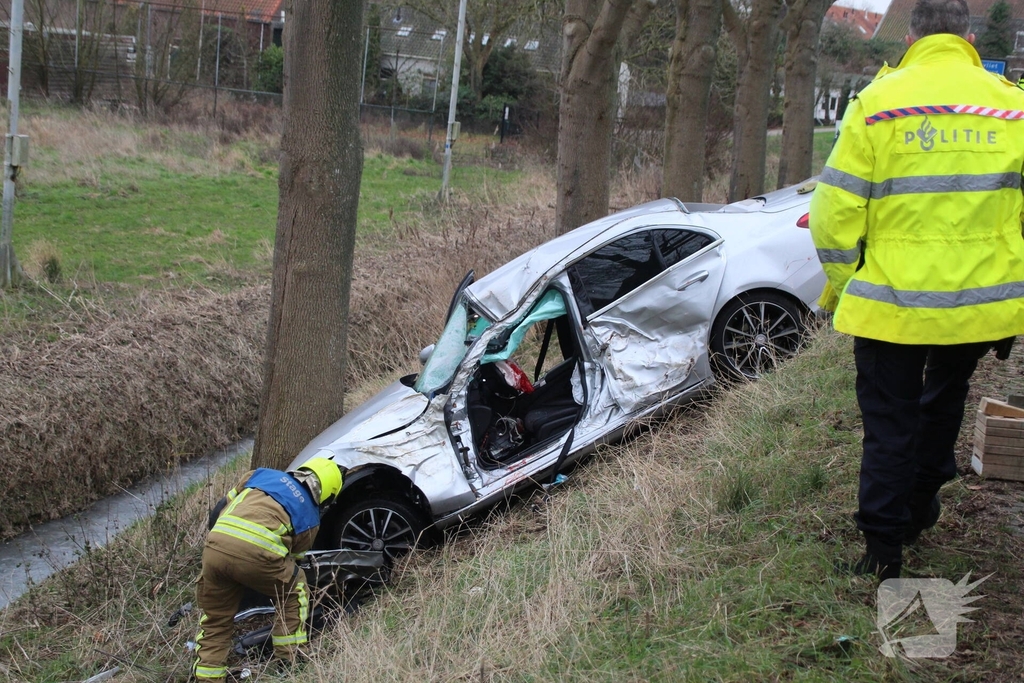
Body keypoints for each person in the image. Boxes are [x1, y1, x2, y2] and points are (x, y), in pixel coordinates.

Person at [809, 0, 1024, 581]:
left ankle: (884, 548)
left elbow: (831, 215)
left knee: (889, 422)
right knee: (945, 398)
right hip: (981, 304)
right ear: (969, 38)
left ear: (910, 39)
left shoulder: (877, 104)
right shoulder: (1013, 106)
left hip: (892, 305)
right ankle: (921, 502)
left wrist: (849, 285)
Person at [191, 457, 343, 681]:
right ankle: (290, 659)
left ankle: (207, 677)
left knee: (216, 619)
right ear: (328, 494)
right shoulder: (310, 517)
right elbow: (293, 560)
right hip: (256, 557)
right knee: (294, 591)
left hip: (215, 549)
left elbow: (219, 509)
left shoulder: (260, 475)